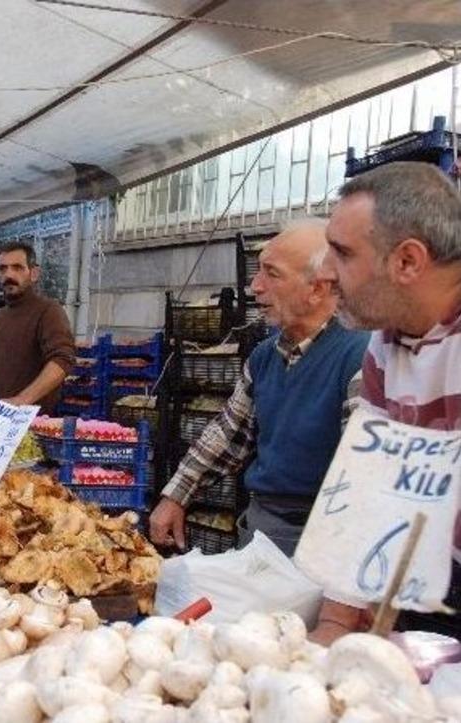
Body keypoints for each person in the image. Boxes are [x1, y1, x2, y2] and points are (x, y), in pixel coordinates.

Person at [149, 220, 369, 556]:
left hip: (324, 538)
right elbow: (227, 435)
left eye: (272, 274)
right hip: (262, 529)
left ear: (318, 288)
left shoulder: (360, 358)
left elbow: (364, 478)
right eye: (257, 273)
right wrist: (175, 495)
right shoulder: (265, 357)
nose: (254, 286)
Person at [310, 161, 461, 644]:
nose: (325, 273)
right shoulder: (387, 344)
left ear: (408, 261)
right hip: (437, 578)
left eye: (341, 253)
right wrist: (334, 625)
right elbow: (369, 485)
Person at [0, 242, 75, 413]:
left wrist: (22, 400)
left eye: (17, 267)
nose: (9, 274)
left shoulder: (48, 311)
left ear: (34, 273)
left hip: (29, 426)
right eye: (3, 269)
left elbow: (62, 360)